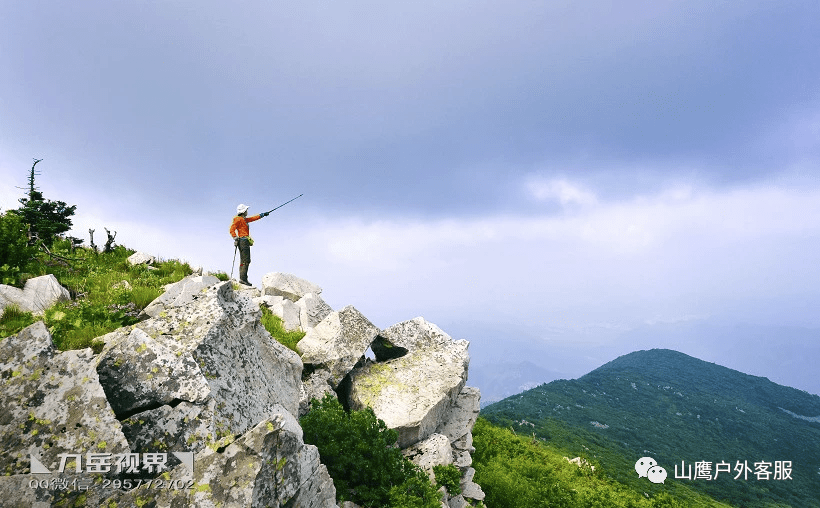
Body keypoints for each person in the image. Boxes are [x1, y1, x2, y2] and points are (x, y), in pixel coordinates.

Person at [229, 204, 269, 286]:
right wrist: (235, 237)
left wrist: (262, 215)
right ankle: (243, 279)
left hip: (244, 241)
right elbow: (232, 229)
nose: (247, 211)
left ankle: (243, 278)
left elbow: (253, 218)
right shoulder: (238, 219)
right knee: (246, 260)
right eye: (246, 210)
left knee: (245, 260)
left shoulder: (244, 219)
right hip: (243, 241)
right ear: (243, 211)